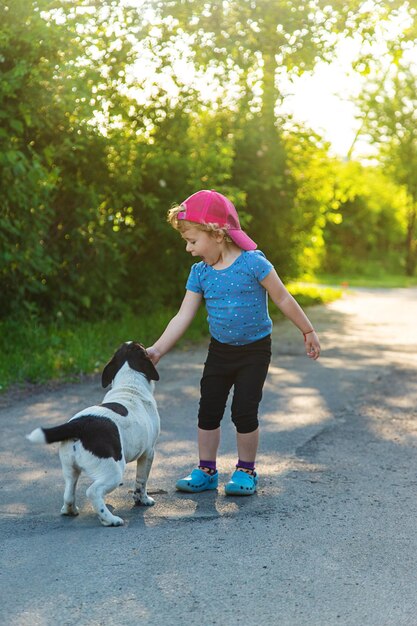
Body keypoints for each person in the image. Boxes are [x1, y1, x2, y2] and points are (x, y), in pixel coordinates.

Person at [146, 189, 321, 496]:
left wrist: (307, 330)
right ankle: (206, 469)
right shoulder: (199, 273)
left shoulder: (253, 263)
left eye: (192, 240)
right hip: (220, 350)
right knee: (208, 408)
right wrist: (158, 349)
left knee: (244, 410)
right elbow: (182, 316)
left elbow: (282, 297)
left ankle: (245, 470)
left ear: (216, 233)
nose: (189, 249)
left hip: (254, 349)